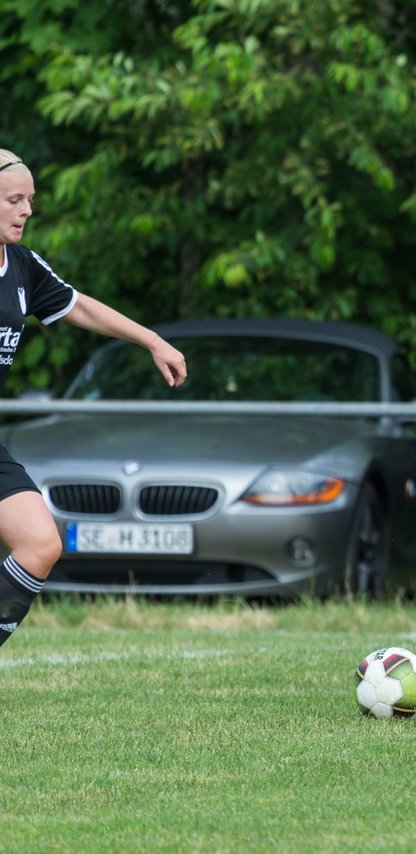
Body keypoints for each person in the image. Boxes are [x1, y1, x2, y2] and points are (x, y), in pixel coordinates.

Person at [0, 149, 187, 651]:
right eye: (14, 199)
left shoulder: (20, 266)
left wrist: (152, 339)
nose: (26, 211)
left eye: (30, 200)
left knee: (40, 544)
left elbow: (77, 305)